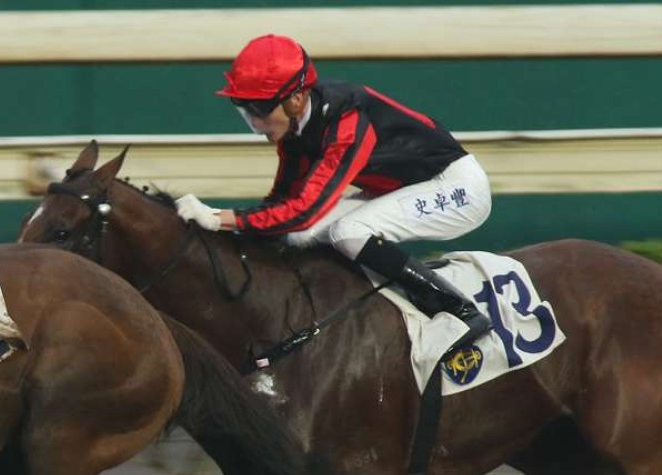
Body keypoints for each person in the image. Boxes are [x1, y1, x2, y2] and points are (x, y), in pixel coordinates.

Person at [175, 34, 493, 348]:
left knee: (348, 232)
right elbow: (282, 202)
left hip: (457, 188)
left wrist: (218, 218)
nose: (256, 124)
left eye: (259, 111)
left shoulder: (347, 122)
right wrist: (225, 231)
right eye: (245, 111)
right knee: (298, 236)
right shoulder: (295, 128)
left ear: (295, 100)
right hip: (404, 189)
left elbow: (304, 210)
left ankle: (461, 311)